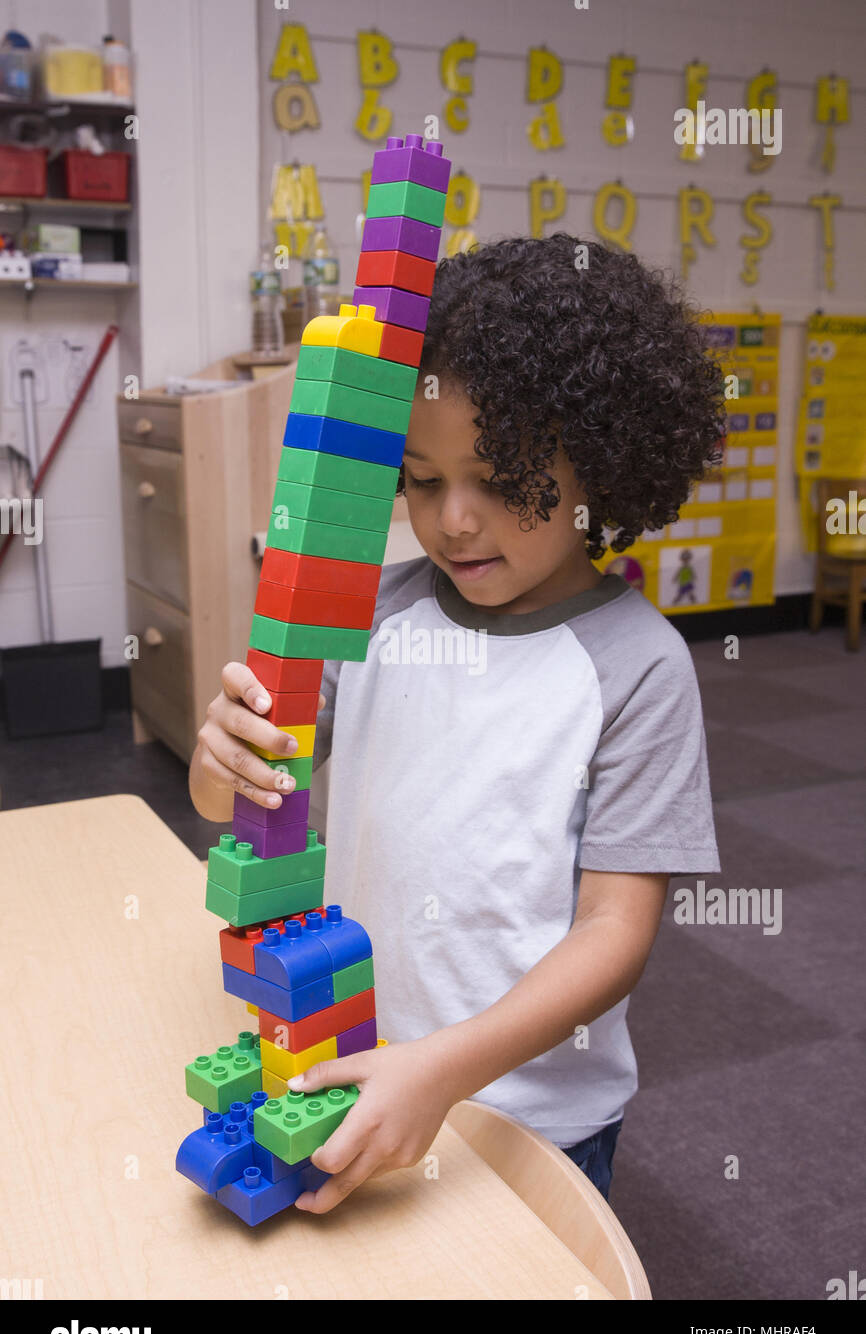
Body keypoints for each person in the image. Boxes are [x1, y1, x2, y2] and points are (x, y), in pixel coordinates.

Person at [190, 234, 724, 1211]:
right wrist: (218, 753)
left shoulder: (635, 669)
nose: (454, 521)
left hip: (529, 1109)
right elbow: (246, 804)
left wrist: (443, 1067)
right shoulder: (371, 612)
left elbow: (615, 932)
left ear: (600, 458)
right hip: (357, 1065)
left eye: (499, 476)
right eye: (424, 480)